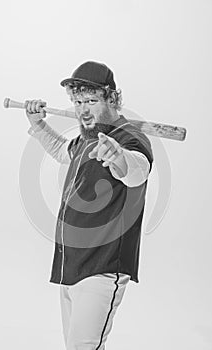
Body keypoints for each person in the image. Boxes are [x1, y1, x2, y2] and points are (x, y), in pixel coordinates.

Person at [25, 61, 154, 350]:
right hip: (71, 265)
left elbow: (136, 172)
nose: (83, 110)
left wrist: (117, 157)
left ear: (112, 99)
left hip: (102, 267)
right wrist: (38, 124)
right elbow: (62, 151)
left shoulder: (129, 138)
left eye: (91, 101)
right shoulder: (87, 137)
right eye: (78, 102)